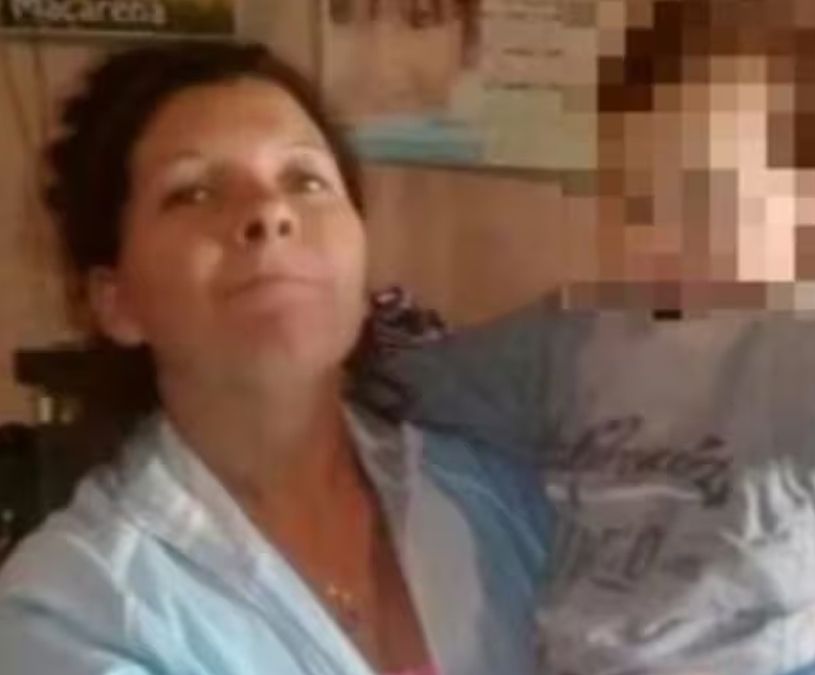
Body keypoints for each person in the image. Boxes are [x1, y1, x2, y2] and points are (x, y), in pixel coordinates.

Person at [349, 1, 815, 674]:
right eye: (645, 196)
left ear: (796, 210)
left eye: (716, 196)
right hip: (589, 655)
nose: (678, 228)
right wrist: (353, 368)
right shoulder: (570, 335)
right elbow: (449, 379)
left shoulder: (793, 336)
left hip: (752, 659)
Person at [0, 41, 551, 675]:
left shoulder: (496, 492)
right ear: (117, 301)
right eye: (193, 192)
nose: (269, 211)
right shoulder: (74, 608)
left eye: (305, 180)